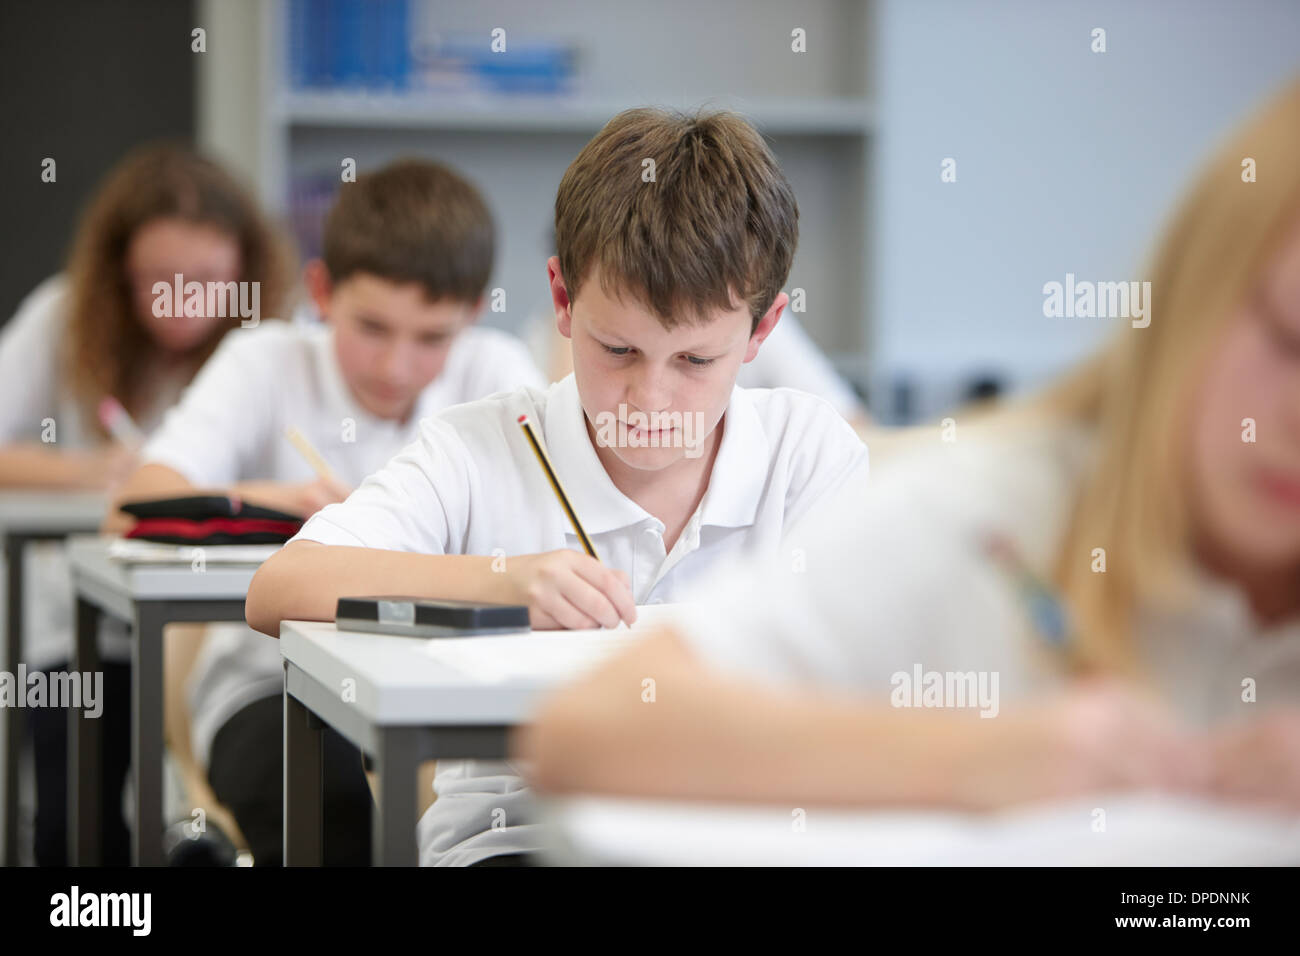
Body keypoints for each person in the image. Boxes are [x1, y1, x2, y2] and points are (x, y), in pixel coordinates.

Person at [521, 78, 1300, 822]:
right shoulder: (993, 506)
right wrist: (977, 758)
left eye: (693, 358)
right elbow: (591, 729)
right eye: (1286, 341)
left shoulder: (808, 437)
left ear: (761, 327)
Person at [247, 108, 871, 864]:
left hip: (738, 835)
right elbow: (280, 588)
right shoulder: (485, 445)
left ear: (764, 331)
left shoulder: (808, 455)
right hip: (521, 838)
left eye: (695, 362)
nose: (650, 399)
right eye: (618, 349)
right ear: (564, 299)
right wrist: (502, 581)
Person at [108, 158, 545, 864]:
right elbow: (133, 505)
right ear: (321, 290)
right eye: (371, 327)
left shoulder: (495, 374)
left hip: (449, 692)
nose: (397, 365)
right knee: (335, 812)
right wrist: (275, 504)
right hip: (271, 686)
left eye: (432, 337)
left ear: (473, 313)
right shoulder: (265, 362)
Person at [0, 143, 294, 866]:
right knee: (77, 828)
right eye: (156, 281)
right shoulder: (62, 318)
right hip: (82, 634)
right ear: (116, 275)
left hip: (225, 639)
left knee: (217, 823)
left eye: (206, 281)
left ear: (245, 270)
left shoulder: (272, 343)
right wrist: (94, 472)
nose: (182, 304)